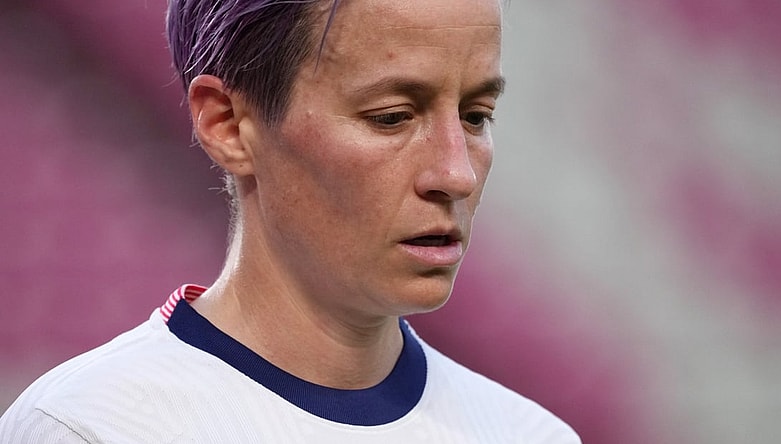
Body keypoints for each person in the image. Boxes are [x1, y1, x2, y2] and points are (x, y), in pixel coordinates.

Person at [0, 0, 580, 442]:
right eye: (392, 117)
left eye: (477, 117)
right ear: (227, 124)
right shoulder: (88, 427)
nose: (456, 173)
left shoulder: (527, 434)